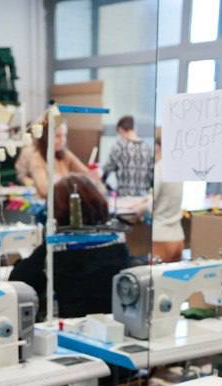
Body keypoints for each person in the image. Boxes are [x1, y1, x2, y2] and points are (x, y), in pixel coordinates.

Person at [10, 174, 130, 318]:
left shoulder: (57, 248)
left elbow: (17, 282)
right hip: (115, 321)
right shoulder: (117, 242)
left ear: (55, 212)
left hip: (70, 325)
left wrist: (24, 261)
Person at [20, 116, 97, 194]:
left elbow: (86, 174)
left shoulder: (65, 154)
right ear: (45, 137)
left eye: (64, 135)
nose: (62, 140)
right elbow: (44, 189)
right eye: (57, 136)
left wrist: (93, 174)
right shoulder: (37, 158)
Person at [150, 129, 184, 263]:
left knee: (155, 277)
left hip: (161, 236)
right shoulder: (177, 168)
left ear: (157, 147)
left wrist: (140, 206)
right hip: (178, 237)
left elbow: (151, 204)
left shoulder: (159, 168)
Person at [102, 115, 154, 196]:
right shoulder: (148, 148)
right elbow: (152, 178)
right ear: (134, 128)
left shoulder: (119, 147)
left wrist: (109, 189)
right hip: (143, 199)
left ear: (120, 130)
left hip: (124, 199)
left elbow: (104, 173)